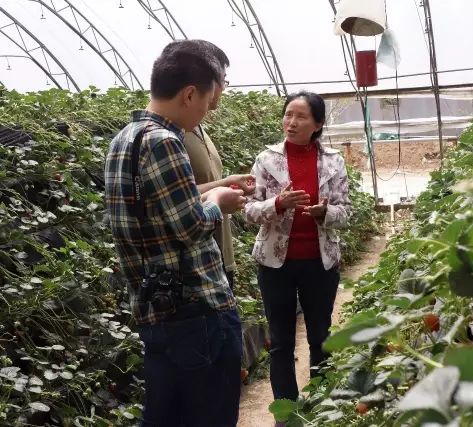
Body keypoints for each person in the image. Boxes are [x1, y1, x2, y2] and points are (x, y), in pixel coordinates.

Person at [105, 40, 244, 427]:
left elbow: (154, 208)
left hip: (155, 308)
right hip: (196, 311)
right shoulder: (166, 141)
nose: (206, 110)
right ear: (188, 94)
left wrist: (212, 188)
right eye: (207, 99)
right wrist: (220, 201)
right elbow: (192, 225)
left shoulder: (124, 140)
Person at [244, 91, 351, 402]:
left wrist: (324, 213)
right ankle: (286, 410)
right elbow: (248, 211)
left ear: (317, 124)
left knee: (320, 337)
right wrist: (277, 203)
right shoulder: (266, 160)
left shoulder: (333, 161)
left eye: (301, 116)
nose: (291, 122)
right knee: (280, 341)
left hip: (320, 263)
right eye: (288, 114)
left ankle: (320, 404)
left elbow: (346, 211)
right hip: (276, 265)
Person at [182, 41, 255, 290]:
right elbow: (178, 202)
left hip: (218, 253)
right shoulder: (169, 137)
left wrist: (225, 183)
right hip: (196, 266)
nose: (223, 88)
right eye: (222, 79)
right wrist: (218, 197)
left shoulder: (199, 127)